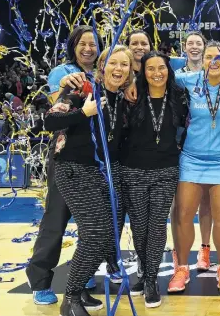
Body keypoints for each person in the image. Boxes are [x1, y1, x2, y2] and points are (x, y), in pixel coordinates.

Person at [25, 25, 117, 306]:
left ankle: (83, 271)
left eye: (94, 44)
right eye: (83, 43)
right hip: (67, 157)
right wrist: (81, 106)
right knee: (57, 217)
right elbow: (57, 118)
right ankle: (39, 278)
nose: (88, 48)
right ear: (73, 46)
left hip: (96, 159)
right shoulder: (64, 74)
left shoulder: (103, 74)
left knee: (94, 222)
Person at [44, 45, 133, 316]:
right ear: (101, 65)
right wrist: (84, 112)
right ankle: (70, 298)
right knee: (95, 233)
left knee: (105, 237)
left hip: (105, 172)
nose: (118, 69)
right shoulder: (83, 88)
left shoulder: (123, 96)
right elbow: (50, 120)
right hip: (74, 169)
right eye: (112, 63)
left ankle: (80, 288)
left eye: (124, 65)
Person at [168, 41, 220, 292]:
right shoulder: (187, 80)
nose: (213, 61)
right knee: (183, 216)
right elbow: (158, 74)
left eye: (219, 57)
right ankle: (181, 269)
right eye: (208, 57)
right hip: (191, 158)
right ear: (201, 60)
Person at [121, 51, 186, 307]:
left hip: (166, 170)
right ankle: (145, 273)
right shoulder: (131, 97)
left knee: (157, 225)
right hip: (133, 170)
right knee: (139, 226)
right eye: (150, 68)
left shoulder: (180, 97)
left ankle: (150, 280)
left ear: (168, 70)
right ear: (142, 71)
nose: (157, 73)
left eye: (162, 67)